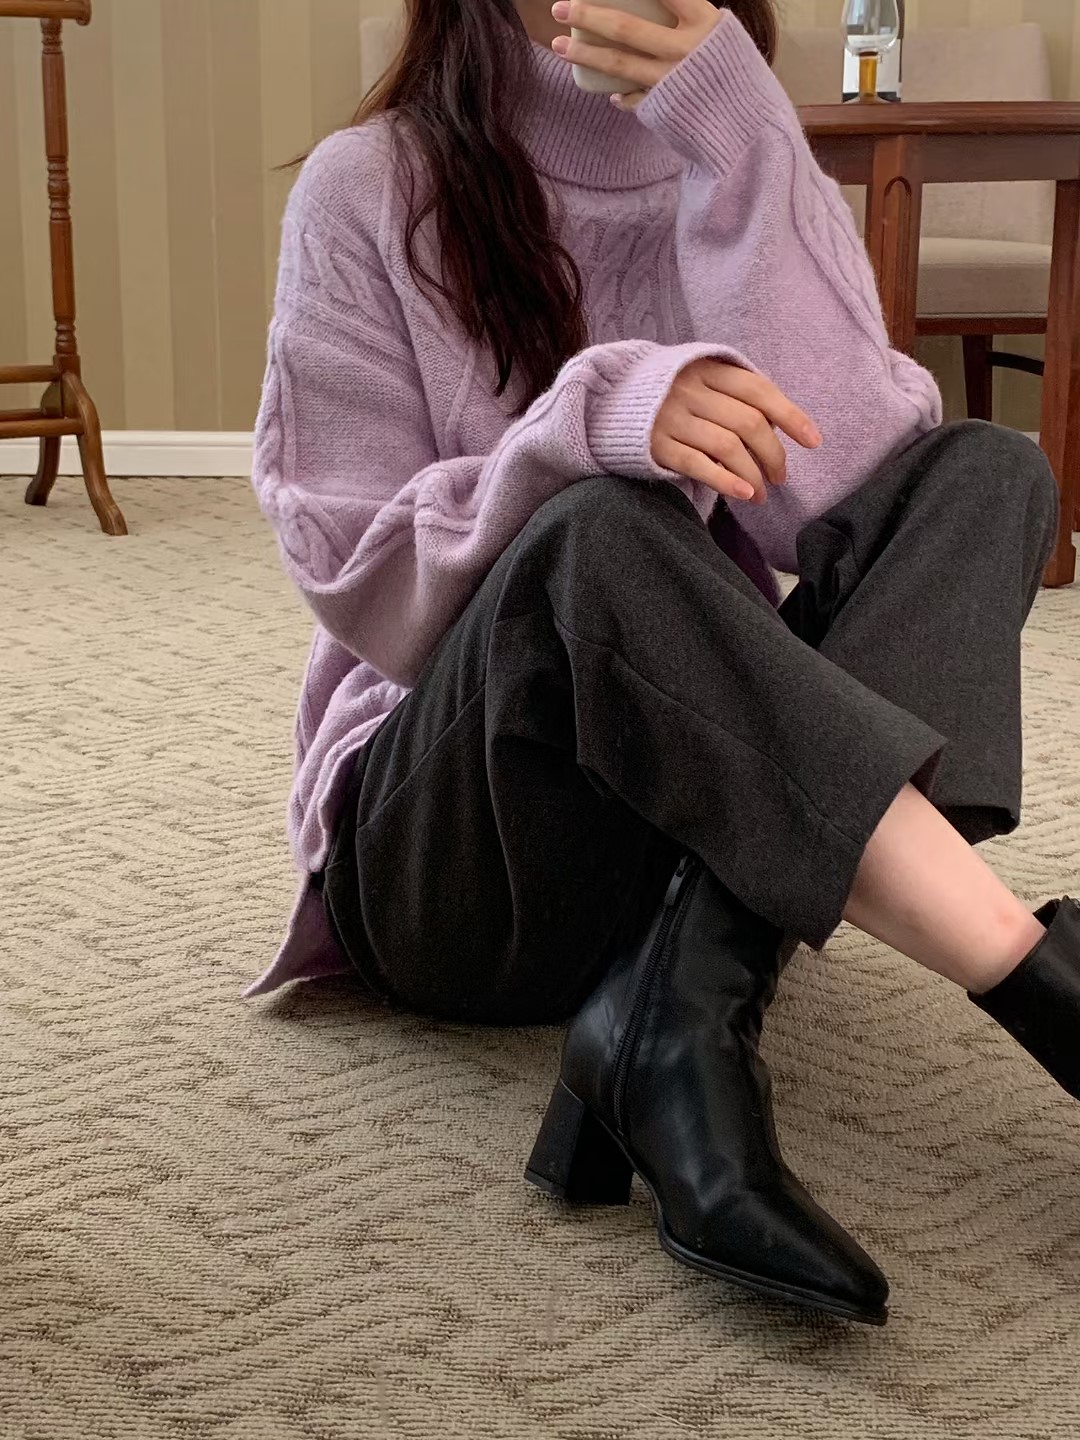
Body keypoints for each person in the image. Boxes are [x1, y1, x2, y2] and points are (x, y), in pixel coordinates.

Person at [247, 0, 1078, 1327]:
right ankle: (1032, 971)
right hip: (456, 859)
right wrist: (588, 425)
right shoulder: (368, 187)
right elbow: (358, 571)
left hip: (684, 813)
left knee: (984, 475)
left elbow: (850, 496)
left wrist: (741, 147)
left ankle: (676, 1004)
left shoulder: (735, 146)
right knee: (603, 529)